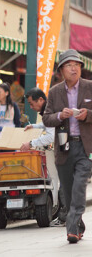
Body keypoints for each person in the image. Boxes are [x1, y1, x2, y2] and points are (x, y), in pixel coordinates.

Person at [43, 49, 92, 244]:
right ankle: (78, 225)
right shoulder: (55, 92)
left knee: (80, 186)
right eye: (70, 65)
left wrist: (87, 114)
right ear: (61, 70)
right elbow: (46, 118)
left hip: (85, 148)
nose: (74, 68)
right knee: (69, 191)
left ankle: (71, 228)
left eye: (77, 65)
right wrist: (59, 116)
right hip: (64, 148)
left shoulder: (89, 87)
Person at [21, 88, 65, 227]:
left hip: (63, 152)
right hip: (61, 151)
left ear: (41, 100)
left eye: (31, 103)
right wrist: (34, 126)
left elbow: (51, 136)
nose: (31, 107)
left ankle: (63, 216)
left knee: (61, 184)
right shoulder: (47, 110)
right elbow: (47, 125)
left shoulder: (50, 110)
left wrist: (31, 143)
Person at [0, 83, 21, 153]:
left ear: (6, 93)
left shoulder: (13, 106)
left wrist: (16, 139)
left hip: (9, 138)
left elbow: (18, 123)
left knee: (7, 161)